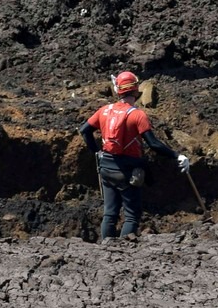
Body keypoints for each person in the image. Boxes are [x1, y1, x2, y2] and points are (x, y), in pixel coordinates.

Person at [79, 71, 188, 240]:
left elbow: (84, 130)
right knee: (131, 215)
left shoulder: (104, 110)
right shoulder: (137, 115)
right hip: (128, 170)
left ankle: (105, 250)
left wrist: (97, 152)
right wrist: (176, 156)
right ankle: (123, 249)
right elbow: (153, 143)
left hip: (106, 166)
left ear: (118, 90)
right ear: (136, 90)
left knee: (110, 213)